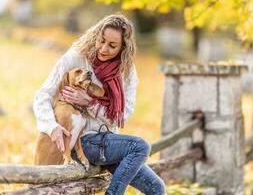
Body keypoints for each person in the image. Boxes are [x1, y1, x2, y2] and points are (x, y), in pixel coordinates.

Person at [33, 14, 166, 195]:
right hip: (84, 140)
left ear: (123, 48)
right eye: (101, 41)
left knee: (157, 187)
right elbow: (43, 95)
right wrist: (52, 127)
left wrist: (90, 102)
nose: (103, 49)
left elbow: (123, 115)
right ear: (96, 36)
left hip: (108, 142)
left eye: (112, 46)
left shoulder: (126, 72)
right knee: (140, 146)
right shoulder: (76, 58)